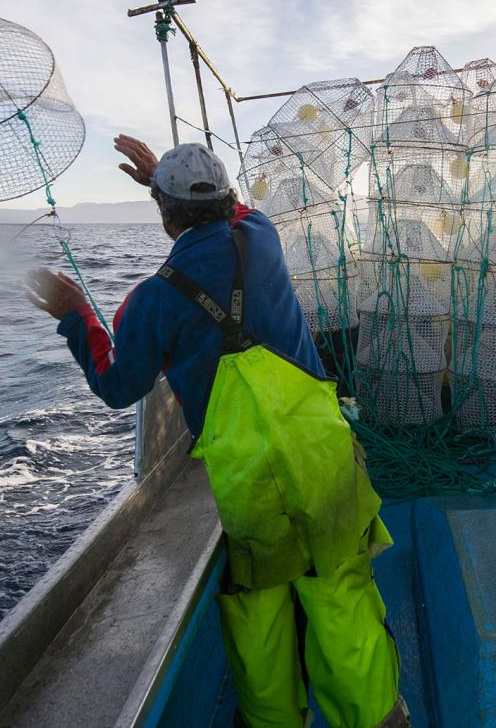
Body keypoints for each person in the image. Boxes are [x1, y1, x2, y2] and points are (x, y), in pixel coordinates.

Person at [27, 135, 405, 728]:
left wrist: (76, 314)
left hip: (250, 480)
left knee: (260, 607)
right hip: (322, 454)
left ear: (165, 214)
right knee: (340, 588)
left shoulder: (150, 301)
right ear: (228, 197)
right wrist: (161, 178)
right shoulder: (263, 238)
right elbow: (234, 213)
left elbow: (118, 385)